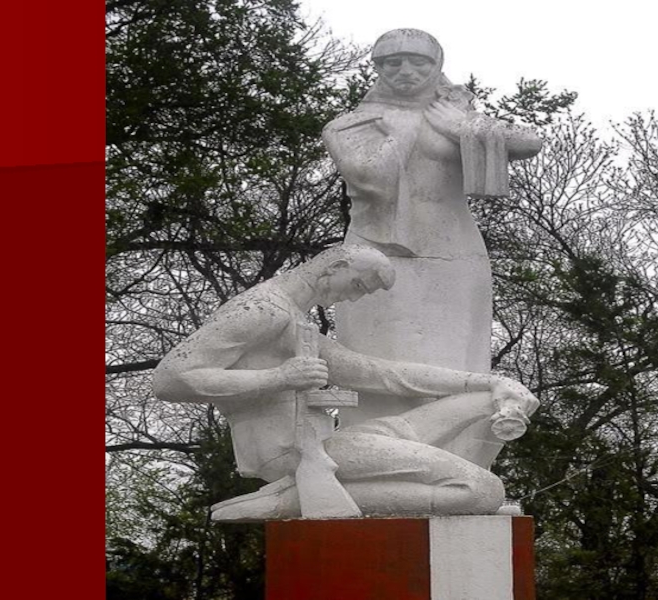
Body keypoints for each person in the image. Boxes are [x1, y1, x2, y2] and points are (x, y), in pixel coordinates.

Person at [153, 245, 539, 521]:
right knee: (482, 490)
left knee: (484, 400)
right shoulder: (261, 311)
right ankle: (290, 501)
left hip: (328, 442)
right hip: (293, 453)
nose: (353, 299)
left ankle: (303, 495)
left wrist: (490, 381)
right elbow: (170, 379)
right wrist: (278, 378)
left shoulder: (294, 317)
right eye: (357, 286)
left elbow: (377, 372)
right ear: (335, 266)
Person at [322, 30, 543, 468]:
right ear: (378, 68)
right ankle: (373, 462)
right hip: (377, 256)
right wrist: (402, 130)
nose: (405, 71)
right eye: (392, 62)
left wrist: (465, 127)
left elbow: (528, 142)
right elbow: (366, 175)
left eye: (418, 61)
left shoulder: (453, 113)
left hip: (454, 253)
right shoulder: (352, 123)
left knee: (458, 356)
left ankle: (460, 467)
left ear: (436, 65)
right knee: (377, 359)